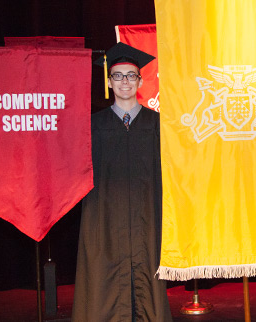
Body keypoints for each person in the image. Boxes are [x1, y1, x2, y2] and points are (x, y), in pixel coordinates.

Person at [72, 43, 172, 322]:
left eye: (131, 75)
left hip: (147, 218)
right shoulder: (92, 126)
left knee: (147, 283)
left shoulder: (158, 125)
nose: (125, 81)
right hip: (103, 218)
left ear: (140, 81)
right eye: (118, 75)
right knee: (104, 281)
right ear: (108, 81)